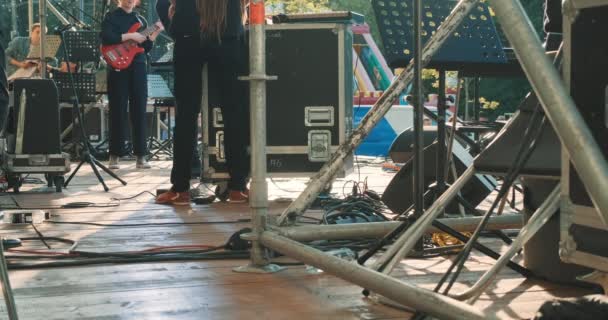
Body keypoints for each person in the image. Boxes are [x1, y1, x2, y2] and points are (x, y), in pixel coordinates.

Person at [156, 0, 250, 205]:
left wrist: (175, 25)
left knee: (186, 114)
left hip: (188, 34)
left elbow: (162, 3)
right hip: (228, 34)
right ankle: (238, 187)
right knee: (234, 111)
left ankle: (180, 189)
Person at [101, 0, 163, 169]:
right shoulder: (111, 17)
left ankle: (141, 155)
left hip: (138, 66)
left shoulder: (141, 20)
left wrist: (155, 33)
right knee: (117, 109)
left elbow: (146, 46)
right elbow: (106, 37)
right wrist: (130, 36)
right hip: (117, 67)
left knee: (139, 110)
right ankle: (114, 155)